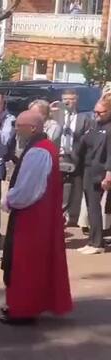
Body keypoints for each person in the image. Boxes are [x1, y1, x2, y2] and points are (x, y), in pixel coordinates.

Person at [0, 111, 72, 323]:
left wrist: (9, 200)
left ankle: (22, 310)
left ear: (32, 128)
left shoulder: (38, 152)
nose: (16, 129)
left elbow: (28, 189)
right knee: (30, 264)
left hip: (31, 218)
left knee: (25, 265)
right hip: (39, 215)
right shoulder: (44, 148)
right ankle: (19, 305)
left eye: (20, 125)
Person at [74, 93, 111, 255]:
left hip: (101, 171)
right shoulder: (95, 125)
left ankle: (97, 243)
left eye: (100, 112)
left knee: (95, 207)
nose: (96, 115)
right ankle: (93, 240)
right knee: (90, 205)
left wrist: (109, 174)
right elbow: (83, 144)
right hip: (87, 168)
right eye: (95, 111)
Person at [55, 88, 94, 226]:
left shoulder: (84, 118)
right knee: (60, 187)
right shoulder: (57, 115)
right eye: (65, 99)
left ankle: (73, 217)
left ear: (76, 100)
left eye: (71, 99)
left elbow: (87, 139)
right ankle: (59, 214)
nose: (68, 102)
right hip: (59, 155)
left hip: (76, 156)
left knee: (76, 187)